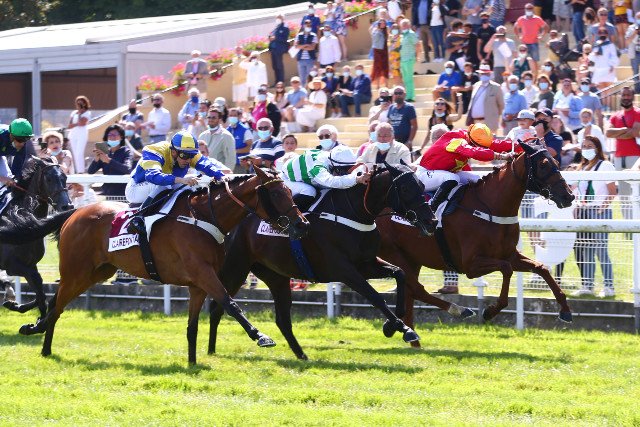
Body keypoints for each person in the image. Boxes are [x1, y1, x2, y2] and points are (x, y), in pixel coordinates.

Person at [126, 131, 225, 227]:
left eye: (192, 155)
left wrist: (223, 177)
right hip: (136, 189)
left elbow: (207, 165)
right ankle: (138, 218)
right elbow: (153, 176)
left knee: (192, 185)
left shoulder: (187, 153)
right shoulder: (155, 151)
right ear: (174, 151)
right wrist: (180, 180)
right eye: (185, 156)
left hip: (158, 186)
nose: (189, 160)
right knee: (168, 184)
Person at [416, 124, 517, 211]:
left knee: (478, 179)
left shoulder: (473, 137)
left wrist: (520, 145)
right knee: (452, 178)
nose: (479, 148)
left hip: (444, 173)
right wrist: (502, 156)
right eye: (476, 145)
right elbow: (473, 152)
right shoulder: (456, 140)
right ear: (469, 139)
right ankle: (431, 208)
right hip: (424, 175)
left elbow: (497, 144)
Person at [572, 135, 616, 297]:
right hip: (583, 211)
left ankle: (609, 287)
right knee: (587, 251)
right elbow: (576, 190)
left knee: (601, 250)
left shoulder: (605, 165)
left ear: (597, 148)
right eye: (584, 146)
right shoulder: (582, 167)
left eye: (590, 146)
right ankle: (587, 285)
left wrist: (601, 209)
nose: (586, 149)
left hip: (598, 211)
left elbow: (612, 192)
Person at [283, 144, 370, 211]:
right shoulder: (318, 166)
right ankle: (290, 217)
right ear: (332, 164)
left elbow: (355, 170)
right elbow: (331, 181)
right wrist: (357, 179)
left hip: (306, 178)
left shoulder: (334, 160)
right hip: (286, 179)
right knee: (310, 191)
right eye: (343, 170)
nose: (346, 172)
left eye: (349, 168)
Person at [605, 87, 640, 220]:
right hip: (619, 157)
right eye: (623, 95)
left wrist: (618, 133)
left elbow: (635, 132)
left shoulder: (637, 112)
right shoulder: (615, 115)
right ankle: (628, 222)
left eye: (628, 95)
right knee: (624, 193)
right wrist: (625, 129)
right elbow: (608, 133)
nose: (625, 97)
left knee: (637, 189)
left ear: (632, 96)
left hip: (635, 156)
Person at [87, 124, 133, 197]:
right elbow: (90, 171)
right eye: (110, 135)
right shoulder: (105, 152)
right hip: (107, 192)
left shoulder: (126, 151)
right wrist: (96, 159)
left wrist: (109, 161)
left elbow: (127, 169)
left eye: (115, 135)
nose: (112, 137)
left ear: (121, 137)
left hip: (123, 194)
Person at [466, 64, 504, 134]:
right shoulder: (476, 85)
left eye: (486, 74)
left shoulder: (496, 87)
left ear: (489, 74)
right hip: (475, 122)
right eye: (482, 74)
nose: (484, 75)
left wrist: (494, 117)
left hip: (489, 122)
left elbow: (501, 105)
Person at [0, 119, 36, 187]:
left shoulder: (21, 142)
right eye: (20, 140)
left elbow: (16, 171)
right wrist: (1, 178)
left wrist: (15, 180)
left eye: (26, 139)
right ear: (11, 135)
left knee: (9, 180)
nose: (22, 144)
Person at [387, 86, 418, 150]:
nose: (398, 95)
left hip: (405, 142)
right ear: (393, 95)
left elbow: (414, 126)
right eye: (396, 93)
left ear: (404, 94)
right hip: (393, 142)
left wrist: (409, 141)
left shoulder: (409, 108)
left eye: (400, 93)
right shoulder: (391, 107)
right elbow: (389, 124)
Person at [67, 95, 91, 173]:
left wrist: (80, 113)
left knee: (79, 153)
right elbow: (69, 125)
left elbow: (82, 123)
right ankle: (76, 170)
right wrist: (76, 124)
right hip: (73, 135)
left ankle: (81, 171)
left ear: (85, 103)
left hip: (82, 135)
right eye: (78, 103)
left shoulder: (87, 113)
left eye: (81, 103)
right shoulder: (73, 113)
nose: (79, 104)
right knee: (74, 154)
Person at [226, 107, 253, 173]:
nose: (232, 117)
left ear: (239, 116)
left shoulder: (245, 130)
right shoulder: (227, 130)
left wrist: (234, 151)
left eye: (234, 115)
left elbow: (248, 148)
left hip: (240, 164)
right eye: (231, 115)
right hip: (228, 164)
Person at [399, 19, 418, 102]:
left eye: (405, 24)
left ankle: (410, 96)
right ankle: (407, 95)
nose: (403, 26)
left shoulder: (411, 34)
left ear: (409, 25)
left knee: (409, 78)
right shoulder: (402, 35)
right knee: (405, 79)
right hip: (403, 59)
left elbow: (417, 45)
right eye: (402, 25)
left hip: (409, 58)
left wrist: (417, 56)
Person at [269, 14, 290, 86]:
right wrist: (270, 37)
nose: (277, 19)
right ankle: (277, 82)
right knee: (274, 66)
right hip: (273, 49)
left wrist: (275, 38)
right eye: (277, 18)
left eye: (279, 18)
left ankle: (281, 82)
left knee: (279, 66)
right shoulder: (276, 27)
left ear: (283, 19)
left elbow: (285, 39)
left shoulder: (285, 28)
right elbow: (271, 35)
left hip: (279, 50)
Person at [370, 18, 389, 89]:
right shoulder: (375, 30)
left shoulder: (386, 30)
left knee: (385, 67)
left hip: (385, 50)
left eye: (384, 23)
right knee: (377, 67)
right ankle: (377, 85)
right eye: (381, 23)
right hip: (377, 50)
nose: (382, 24)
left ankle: (386, 85)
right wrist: (378, 30)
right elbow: (375, 39)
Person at [626, 12, 640, 93]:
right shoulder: (631, 28)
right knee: (635, 72)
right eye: (638, 18)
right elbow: (627, 41)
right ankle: (637, 90)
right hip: (635, 53)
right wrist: (635, 32)